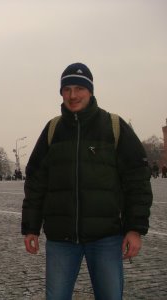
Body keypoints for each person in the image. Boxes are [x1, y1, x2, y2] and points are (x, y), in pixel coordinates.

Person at [21, 63, 153, 300]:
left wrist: (135, 229)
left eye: (79, 88)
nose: (73, 95)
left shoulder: (113, 126)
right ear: (61, 92)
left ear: (90, 91)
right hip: (61, 239)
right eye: (67, 89)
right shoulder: (53, 130)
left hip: (106, 238)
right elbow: (36, 181)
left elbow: (137, 181)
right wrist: (31, 227)